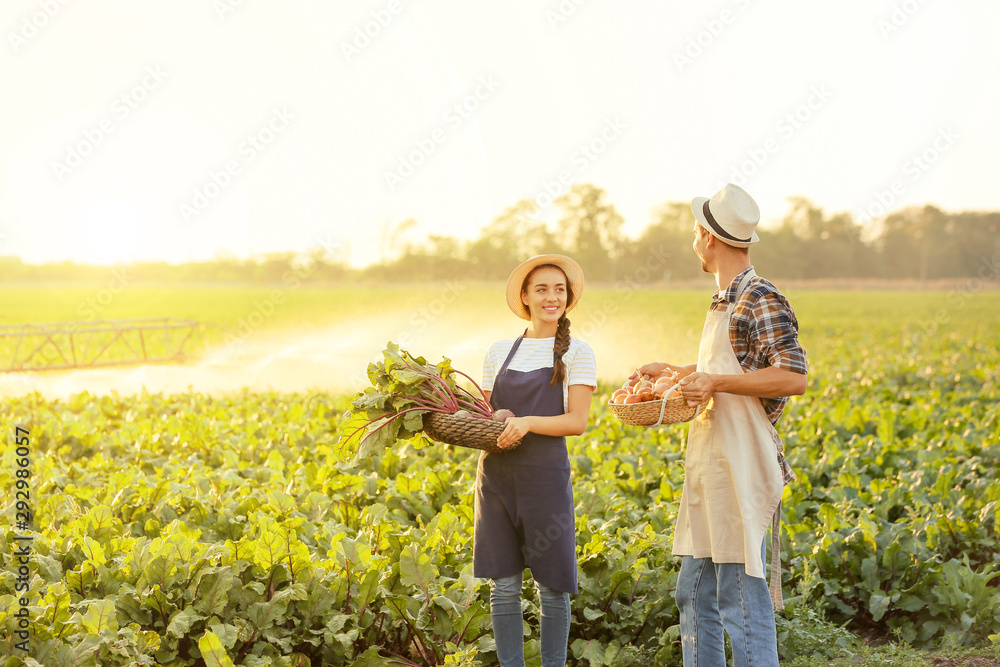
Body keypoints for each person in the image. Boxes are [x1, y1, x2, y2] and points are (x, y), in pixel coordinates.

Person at [636, 184, 808, 667]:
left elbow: (793, 377)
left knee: (738, 598)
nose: (694, 242)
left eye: (695, 233)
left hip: (739, 464)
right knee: (692, 592)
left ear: (708, 239)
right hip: (712, 464)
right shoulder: (722, 301)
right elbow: (730, 373)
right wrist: (677, 373)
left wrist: (712, 381)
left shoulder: (760, 296)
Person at [476, 254, 597, 667]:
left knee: (553, 586)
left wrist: (527, 422)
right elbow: (485, 415)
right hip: (496, 478)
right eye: (542, 289)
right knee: (504, 587)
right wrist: (500, 418)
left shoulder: (578, 353)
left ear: (568, 297)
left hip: (545, 478)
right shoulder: (497, 352)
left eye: (559, 289)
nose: (552, 297)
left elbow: (576, 422)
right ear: (525, 297)